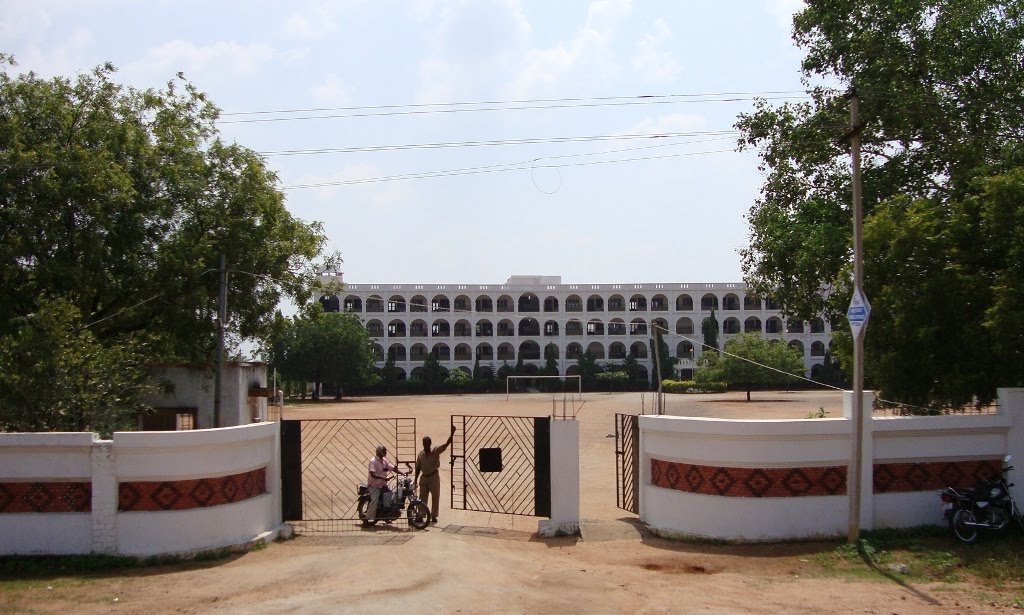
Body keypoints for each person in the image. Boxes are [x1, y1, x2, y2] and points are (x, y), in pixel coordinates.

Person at [414, 424, 456, 524]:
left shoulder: (435, 451)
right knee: (422, 497)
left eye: (427, 443)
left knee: (435, 496)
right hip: (424, 477)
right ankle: (421, 515)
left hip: (433, 476)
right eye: (424, 443)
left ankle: (433, 515)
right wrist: (415, 479)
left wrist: (452, 434)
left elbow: (446, 445)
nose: (425, 445)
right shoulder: (421, 454)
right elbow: (418, 467)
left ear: (430, 443)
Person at [364, 444, 396, 525]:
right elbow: (373, 474)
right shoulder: (373, 461)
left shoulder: (384, 460)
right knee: (374, 501)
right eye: (384, 451)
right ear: (380, 452)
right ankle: (366, 520)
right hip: (374, 485)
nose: (386, 453)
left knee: (389, 497)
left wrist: (403, 473)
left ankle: (386, 516)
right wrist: (384, 478)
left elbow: (392, 467)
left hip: (383, 485)